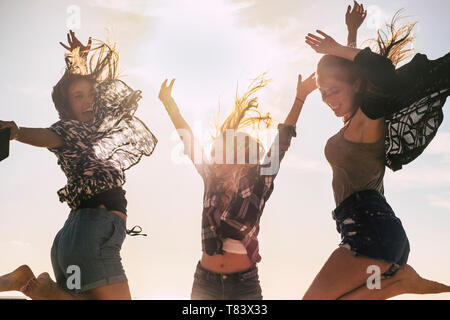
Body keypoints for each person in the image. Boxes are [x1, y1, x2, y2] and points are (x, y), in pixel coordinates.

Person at [301, 6, 450, 299]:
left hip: (369, 229)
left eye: (334, 90)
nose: (328, 99)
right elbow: (354, 75)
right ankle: (397, 282)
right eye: (323, 93)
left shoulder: (368, 120)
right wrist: (352, 33)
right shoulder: (355, 118)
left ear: (356, 86)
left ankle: (398, 283)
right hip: (371, 233)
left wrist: (334, 48)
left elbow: (380, 73)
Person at [0, 31, 157, 300]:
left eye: (92, 95)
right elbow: (49, 136)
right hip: (92, 234)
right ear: (67, 106)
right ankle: (46, 292)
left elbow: (90, 95)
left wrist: (78, 62)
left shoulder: (95, 129)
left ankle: (29, 283)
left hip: (72, 238)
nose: (88, 101)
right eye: (78, 97)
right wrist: (16, 132)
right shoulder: (71, 130)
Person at [158, 72, 316, 299]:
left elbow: (281, 142)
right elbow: (189, 141)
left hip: (243, 285)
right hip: (205, 283)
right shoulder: (211, 177)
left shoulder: (259, 182)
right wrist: (170, 105)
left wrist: (300, 98)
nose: (221, 154)